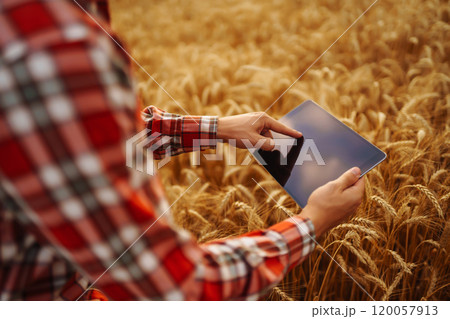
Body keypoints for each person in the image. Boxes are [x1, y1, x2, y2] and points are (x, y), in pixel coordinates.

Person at [0, 0, 365, 300]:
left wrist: (218, 130)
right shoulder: (56, 48)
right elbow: (176, 287)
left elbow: (76, 147)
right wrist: (312, 222)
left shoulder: (29, 24)